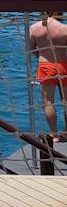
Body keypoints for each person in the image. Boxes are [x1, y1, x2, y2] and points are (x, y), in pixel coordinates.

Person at [29, 12, 67, 140]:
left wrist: (42, 56)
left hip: (45, 66)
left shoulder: (34, 28)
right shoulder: (64, 28)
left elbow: (32, 49)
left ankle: (54, 135)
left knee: (49, 102)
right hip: (63, 66)